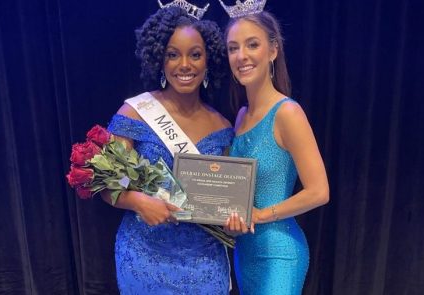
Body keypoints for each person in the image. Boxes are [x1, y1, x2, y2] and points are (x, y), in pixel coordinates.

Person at [101, 6, 233, 294]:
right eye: (173, 54)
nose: (184, 65)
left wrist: (233, 218)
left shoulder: (223, 127)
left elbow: (224, 201)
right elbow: (107, 185)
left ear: (208, 59)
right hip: (145, 256)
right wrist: (137, 201)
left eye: (195, 54)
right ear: (159, 59)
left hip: (205, 262)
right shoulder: (135, 113)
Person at [222, 9, 330, 295]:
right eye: (233, 48)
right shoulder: (242, 116)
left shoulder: (288, 113)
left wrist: (258, 215)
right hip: (245, 253)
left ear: (273, 50)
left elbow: (319, 191)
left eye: (252, 44)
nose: (241, 55)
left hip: (279, 253)